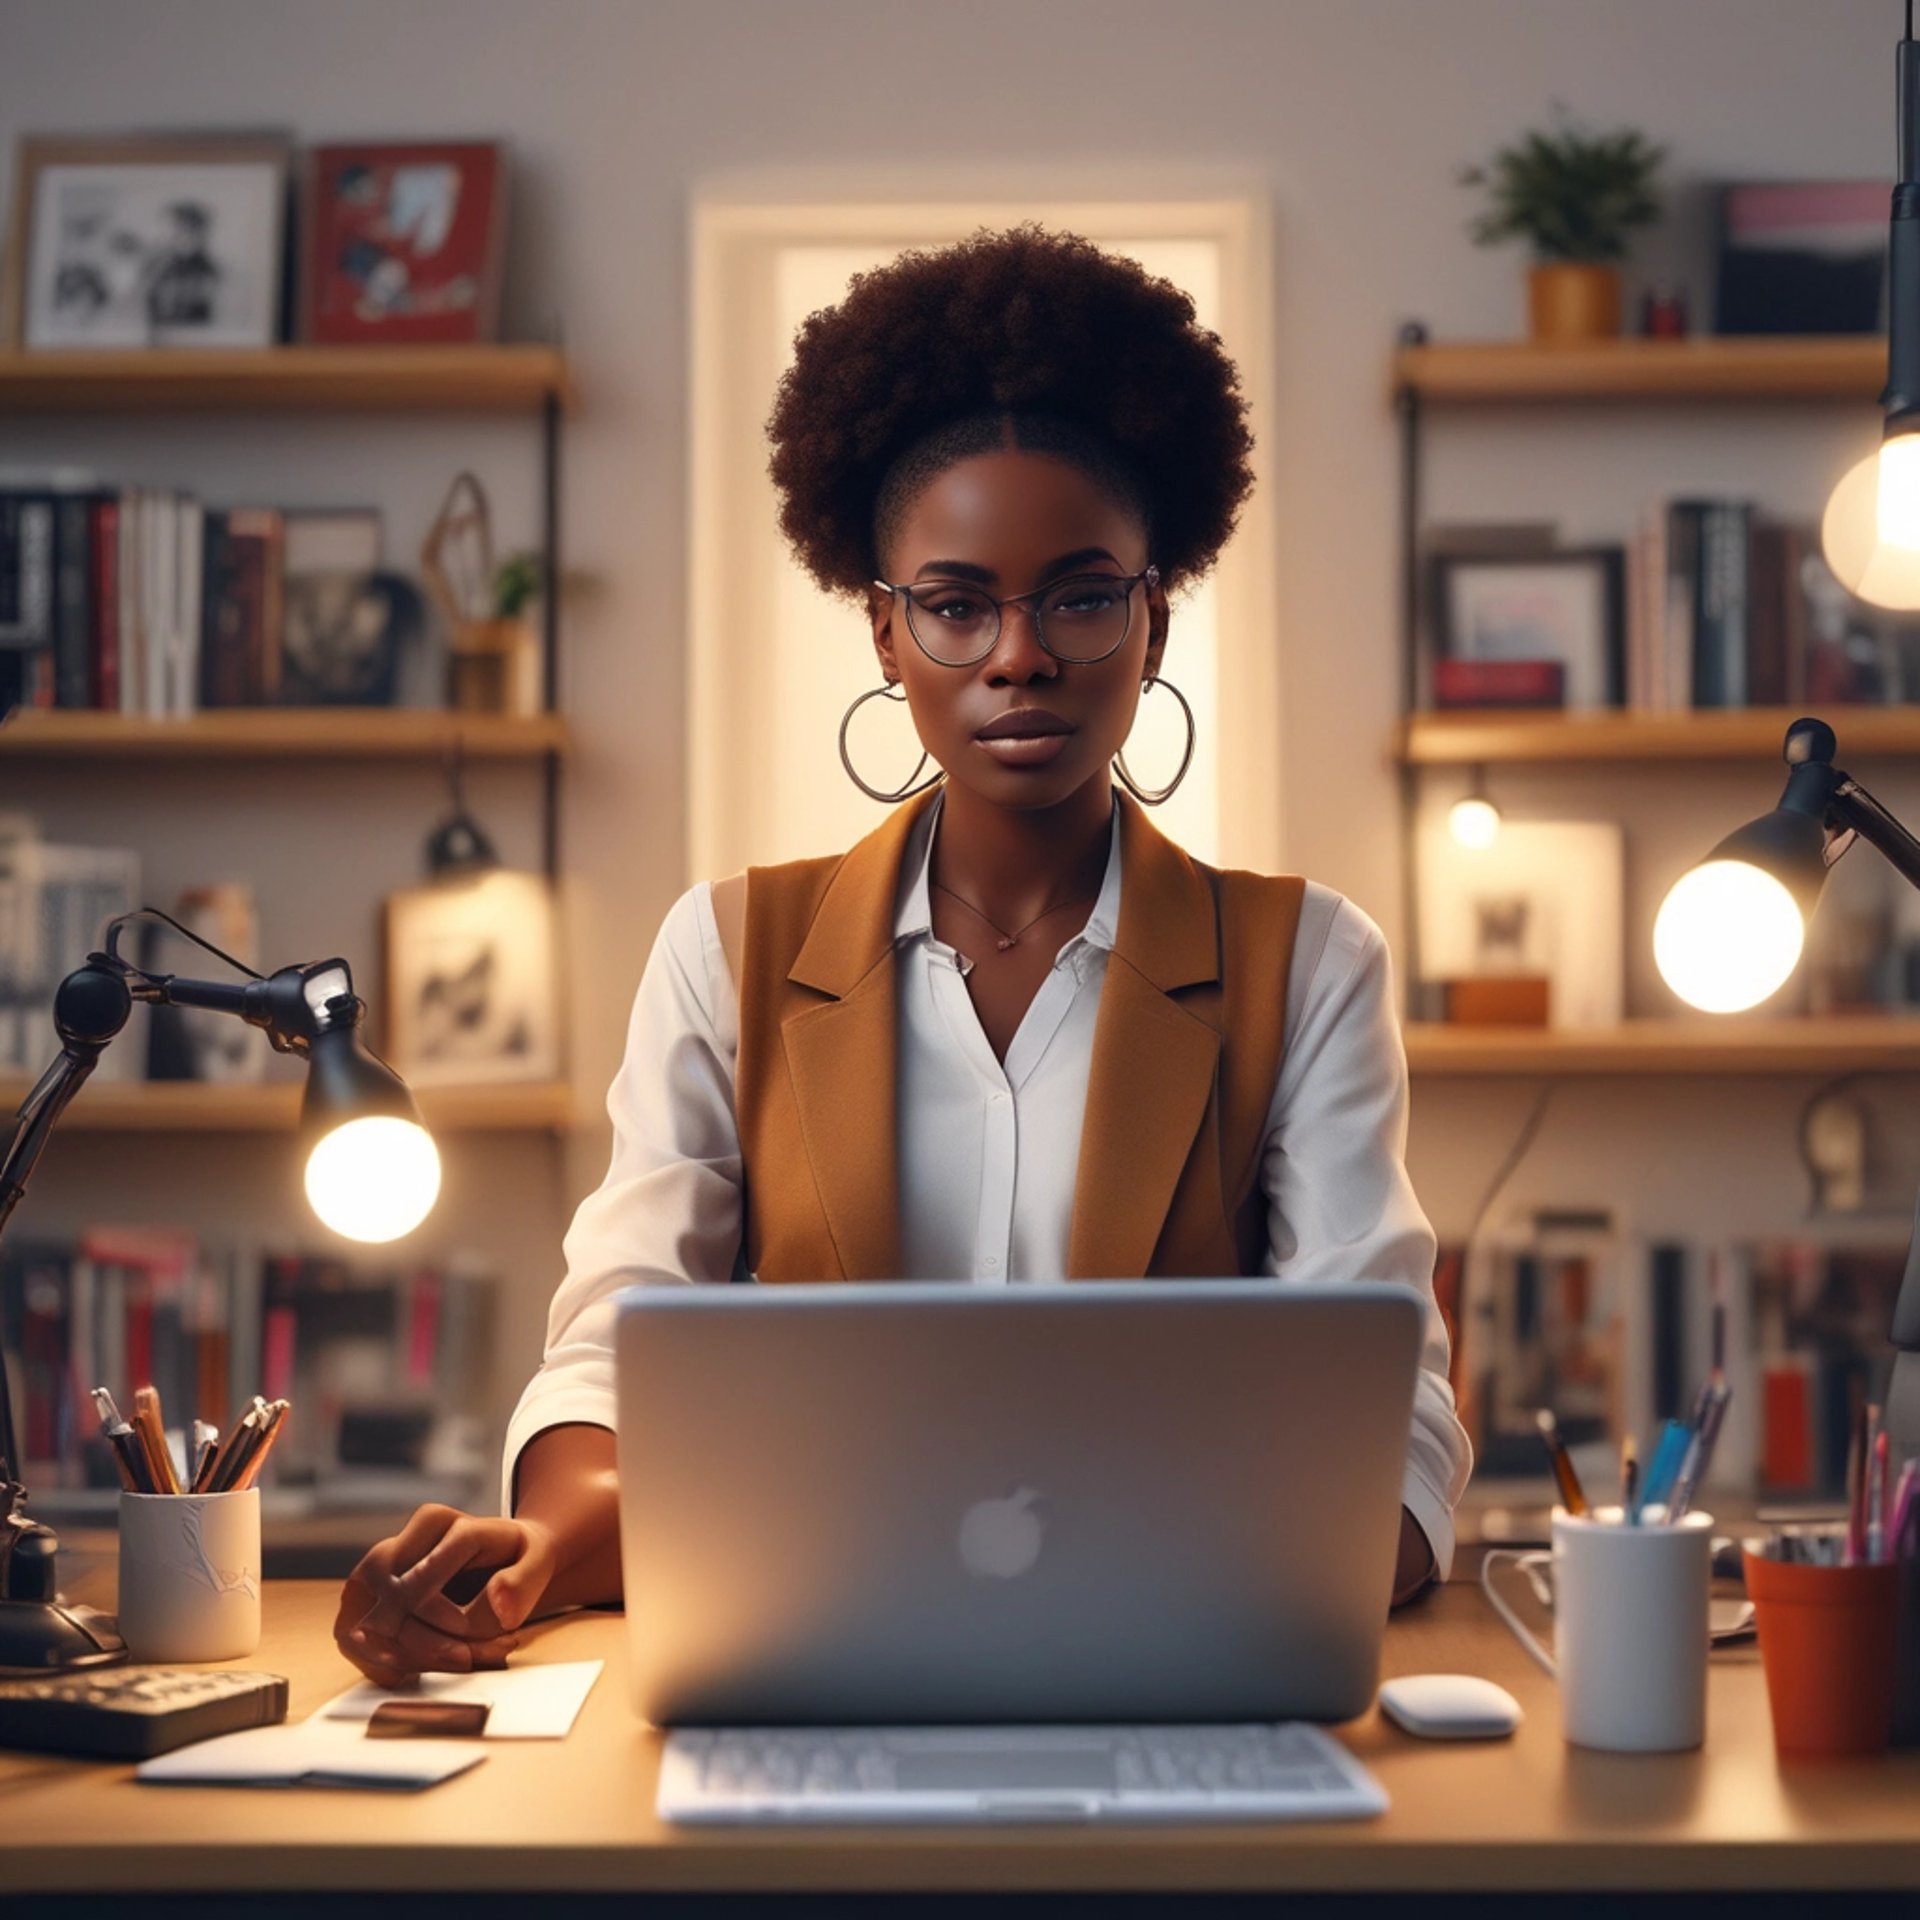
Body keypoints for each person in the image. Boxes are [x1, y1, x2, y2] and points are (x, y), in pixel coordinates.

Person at [333, 225, 1473, 1685]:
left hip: (1176, 1659)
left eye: (1078, 593)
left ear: (1154, 615)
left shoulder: (1305, 961)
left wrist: (1285, 1577)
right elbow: (621, 1336)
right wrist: (551, 1549)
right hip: (810, 1656)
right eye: (954, 604)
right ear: (883, 632)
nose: (1018, 655)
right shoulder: (728, 948)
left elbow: (1385, 1398)